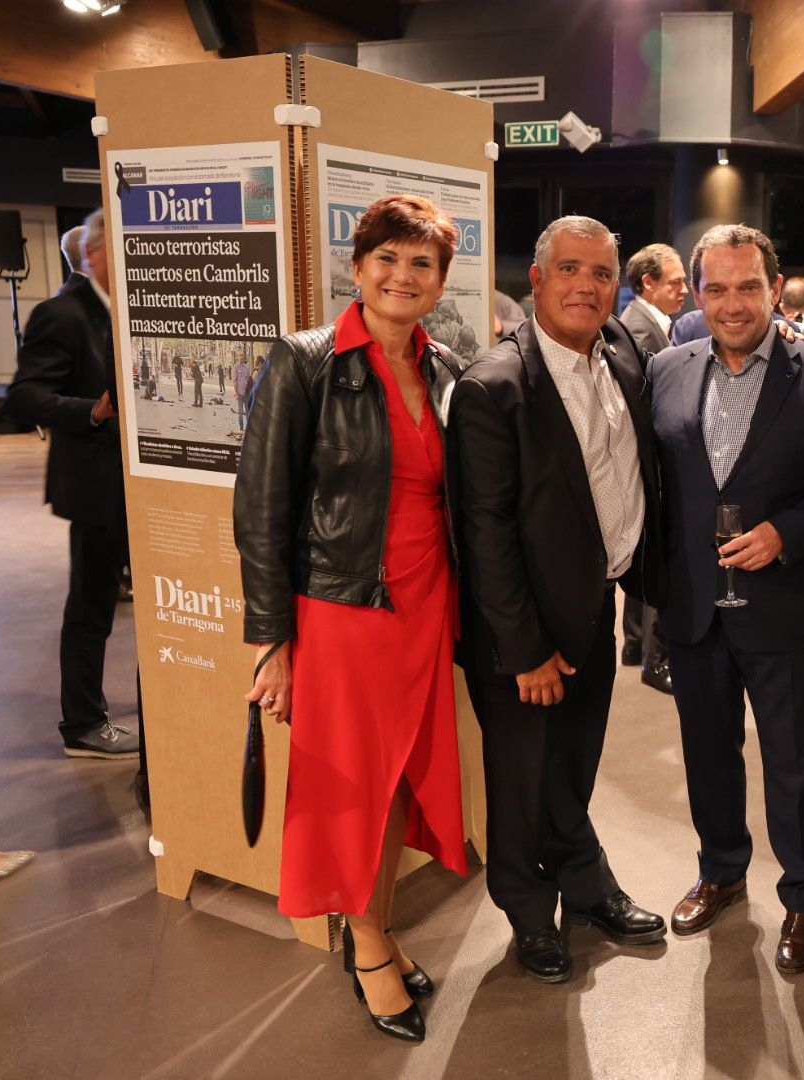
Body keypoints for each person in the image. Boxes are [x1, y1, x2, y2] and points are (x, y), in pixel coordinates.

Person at [235, 193, 468, 1043]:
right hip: (343, 612)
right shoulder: (304, 361)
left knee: (400, 778)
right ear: (358, 267)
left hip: (425, 607)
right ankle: (367, 941)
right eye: (387, 258)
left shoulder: (444, 366)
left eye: (422, 263)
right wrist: (271, 643)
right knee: (352, 789)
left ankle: (375, 926)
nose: (402, 276)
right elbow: (260, 508)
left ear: (440, 280)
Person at [451, 215, 668, 986]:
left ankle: (585, 885)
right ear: (537, 280)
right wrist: (524, 651)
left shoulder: (624, 356)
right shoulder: (493, 388)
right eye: (570, 269)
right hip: (522, 634)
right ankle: (528, 914)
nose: (587, 285)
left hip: (592, 610)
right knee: (519, 783)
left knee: (572, 766)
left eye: (602, 273)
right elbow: (486, 536)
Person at [648, 223, 804, 976]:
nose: (731, 304)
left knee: (796, 759)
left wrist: (785, 534)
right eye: (715, 288)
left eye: (747, 287)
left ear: (774, 289)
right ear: (697, 292)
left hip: (781, 603)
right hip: (695, 607)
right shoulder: (666, 370)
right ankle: (722, 871)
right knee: (708, 753)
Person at [6, 208, 139, 760]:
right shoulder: (62, 313)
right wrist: (94, 410)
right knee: (91, 606)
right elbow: (24, 397)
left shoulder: (128, 310)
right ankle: (82, 723)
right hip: (95, 486)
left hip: (138, 486)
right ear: (97, 253)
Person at [617, 241, 689, 694]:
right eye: (677, 281)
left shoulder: (650, 324)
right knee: (652, 555)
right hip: (650, 464)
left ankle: (633, 644)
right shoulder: (642, 331)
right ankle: (651, 657)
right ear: (649, 283)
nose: (685, 290)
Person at [232, 352, 251, 431]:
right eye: (240, 356)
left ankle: (248, 428)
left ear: (244, 358)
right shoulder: (236, 367)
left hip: (246, 393)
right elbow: (234, 381)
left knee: (247, 411)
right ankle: (241, 429)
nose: (241, 357)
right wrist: (236, 393)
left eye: (242, 356)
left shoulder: (247, 367)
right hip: (239, 393)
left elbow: (249, 379)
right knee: (240, 411)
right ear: (238, 357)